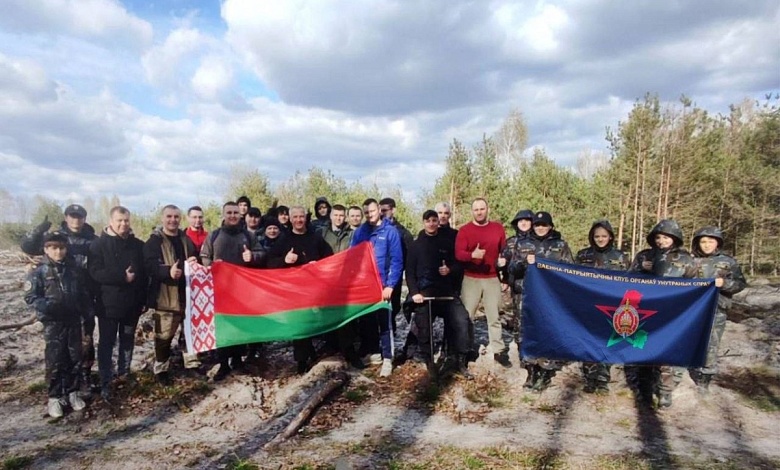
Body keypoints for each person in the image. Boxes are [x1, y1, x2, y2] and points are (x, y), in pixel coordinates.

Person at [20, 204, 99, 398]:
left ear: (84, 219)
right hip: (57, 300)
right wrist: (38, 230)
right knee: (57, 352)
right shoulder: (56, 237)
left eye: (79, 216)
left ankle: (83, 379)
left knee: (83, 344)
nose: (76, 220)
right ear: (66, 217)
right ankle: (57, 392)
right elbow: (28, 247)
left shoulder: (92, 239)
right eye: (72, 216)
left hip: (83, 295)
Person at [628, 219, 697, 408]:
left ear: (674, 238)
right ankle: (644, 391)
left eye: (666, 237)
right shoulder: (644, 256)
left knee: (666, 353)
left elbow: (696, 284)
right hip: (645, 310)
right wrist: (642, 269)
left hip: (672, 312)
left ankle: (665, 392)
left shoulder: (685, 259)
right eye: (658, 237)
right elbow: (627, 280)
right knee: (643, 351)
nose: (661, 241)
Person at [268, 206, 345, 373]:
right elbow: (270, 262)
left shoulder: (315, 238)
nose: (298, 220)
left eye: (301, 216)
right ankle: (302, 361)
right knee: (299, 325)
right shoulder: (284, 239)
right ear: (289, 218)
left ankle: (324, 351)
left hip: (315, 290)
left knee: (316, 322)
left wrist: (318, 265)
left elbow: (329, 258)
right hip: (293, 291)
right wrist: (285, 260)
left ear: (306, 218)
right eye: (295, 217)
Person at [25, 232, 92, 417]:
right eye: (54, 248)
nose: (58, 252)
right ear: (46, 249)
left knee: (75, 357)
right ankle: (54, 397)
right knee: (55, 360)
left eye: (61, 248)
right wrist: (48, 307)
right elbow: (31, 297)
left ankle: (72, 392)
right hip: (53, 323)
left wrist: (88, 315)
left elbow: (83, 295)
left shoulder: (73, 270)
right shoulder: (39, 272)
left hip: (73, 320)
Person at [200, 201, 266, 381]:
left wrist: (252, 256)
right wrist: (212, 265)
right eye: (229, 212)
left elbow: (261, 254)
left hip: (242, 291)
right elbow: (204, 256)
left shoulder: (248, 235)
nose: (232, 216)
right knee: (222, 327)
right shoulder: (214, 235)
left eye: (236, 213)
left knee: (240, 326)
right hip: (220, 291)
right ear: (223, 214)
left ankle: (238, 360)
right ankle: (223, 364)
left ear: (240, 215)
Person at [88, 206, 147, 401]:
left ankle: (124, 374)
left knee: (127, 341)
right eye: (120, 220)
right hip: (108, 305)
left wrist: (144, 300)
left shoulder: (137, 245)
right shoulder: (98, 245)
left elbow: (144, 275)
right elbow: (95, 273)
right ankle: (106, 380)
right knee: (106, 343)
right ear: (111, 221)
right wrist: (122, 277)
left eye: (126, 221)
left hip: (132, 305)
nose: (123, 224)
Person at [405, 210, 472, 377]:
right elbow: (409, 271)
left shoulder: (446, 243)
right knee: (423, 326)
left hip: (446, 294)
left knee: (461, 321)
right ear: (423, 222)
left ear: (437, 222)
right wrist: (414, 293)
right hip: (424, 295)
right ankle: (429, 360)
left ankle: (459, 359)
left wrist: (449, 269)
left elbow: (458, 264)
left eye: (434, 220)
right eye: (428, 221)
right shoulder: (415, 245)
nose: (432, 223)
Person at [144, 205, 201, 385]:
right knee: (164, 336)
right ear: (163, 218)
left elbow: (196, 258)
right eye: (169, 216)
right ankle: (161, 369)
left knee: (189, 333)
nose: (173, 220)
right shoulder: (154, 241)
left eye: (176, 217)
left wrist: (195, 261)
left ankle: (191, 364)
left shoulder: (185, 239)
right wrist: (167, 272)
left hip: (187, 294)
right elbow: (148, 265)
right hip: (165, 297)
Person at [518, 211, 574, 391]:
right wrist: (524, 262)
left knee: (548, 332)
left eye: (544, 225)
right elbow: (512, 268)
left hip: (552, 297)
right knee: (529, 332)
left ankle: (544, 372)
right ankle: (531, 371)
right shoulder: (523, 244)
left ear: (550, 226)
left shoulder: (560, 245)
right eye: (537, 225)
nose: (540, 228)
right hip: (528, 296)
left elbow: (570, 270)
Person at [689, 226, 746, 393]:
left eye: (711, 241)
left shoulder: (728, 262)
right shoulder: (689, 260)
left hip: (717, 308)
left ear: (718, 243)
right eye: (703, 241)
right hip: (691, 308)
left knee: (711, 343)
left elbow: (741, 283)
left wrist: (725, 284)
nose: (706, 245)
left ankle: (704, 379)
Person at [574, 220, 629, 393]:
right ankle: (589, 377)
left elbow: (629, 280)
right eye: (597, 236)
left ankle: (603, 378)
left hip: (611, 304)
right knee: (587, 340)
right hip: (587, 303)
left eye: (604, 236)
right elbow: (572, 277)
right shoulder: (583, 255)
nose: (600, 239)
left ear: (610, 236)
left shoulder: (620, 257)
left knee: (607, 341)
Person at [350, 198, 403, 377]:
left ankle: (388, 358)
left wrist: (390, 285)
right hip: (365, 286)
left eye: (372, 212)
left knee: (385, 322)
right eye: (366, 213)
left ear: (379, 210)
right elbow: (352, 257)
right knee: (367, 322)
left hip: (383, 286)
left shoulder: (390, 232)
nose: (369, 215)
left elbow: (397, 260)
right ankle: (374, 353)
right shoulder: (360, 232)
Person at [454, 198, 509, 367]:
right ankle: (468, 348)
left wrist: (504, 275)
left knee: (494, 316)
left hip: (492, 278)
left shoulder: (497, 228)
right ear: (472, 211)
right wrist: (472, 255)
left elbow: (504, 252)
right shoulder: (464, 230)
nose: (479, 212)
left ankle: (498, 350)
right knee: (468, 316)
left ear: (488, 209)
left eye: (482, 209)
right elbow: (458, 254)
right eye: (476, 209)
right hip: (471, 278)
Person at [500, 209, 535, 361]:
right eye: (520, 221)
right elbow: (504, 263)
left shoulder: (539, 241)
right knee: (519, 320)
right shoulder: (511, 242)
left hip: (539, 289)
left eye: (527, 220)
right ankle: (523, 353)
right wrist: (505, 279)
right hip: (518, 287)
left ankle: (536, 352)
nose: (524, 223)